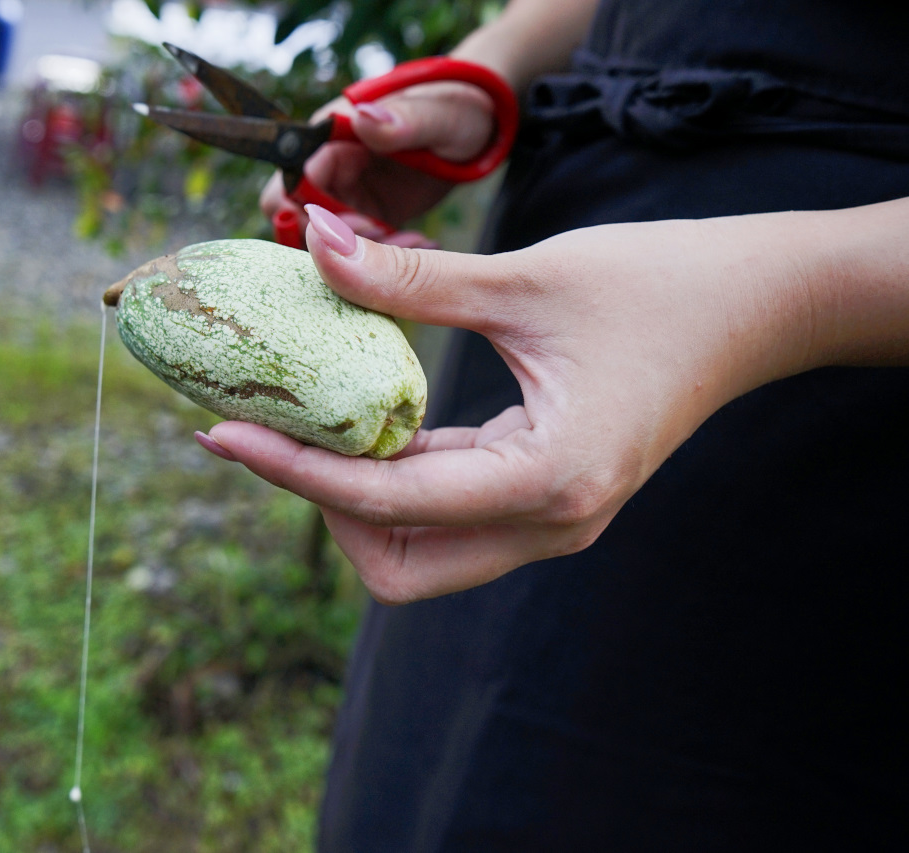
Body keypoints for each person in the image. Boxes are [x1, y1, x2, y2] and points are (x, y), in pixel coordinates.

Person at [192, 0, 909, 849]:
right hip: (557, 277)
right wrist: (490, 66)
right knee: (422, 775)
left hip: (825, 392)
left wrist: (790, 296)